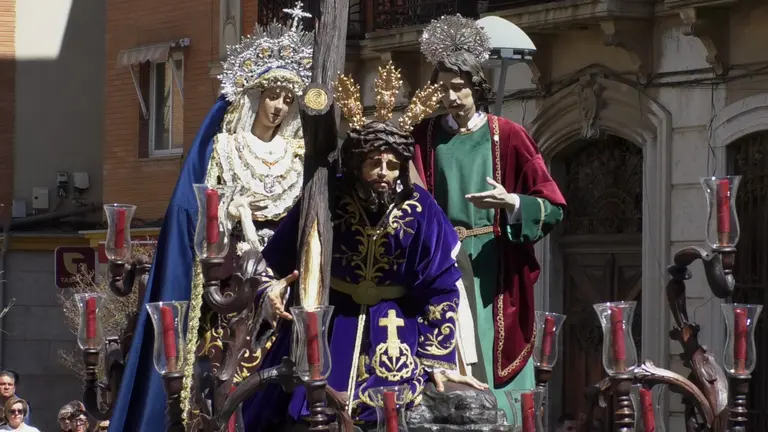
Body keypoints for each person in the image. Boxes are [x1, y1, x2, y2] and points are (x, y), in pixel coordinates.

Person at [239, 63, 485, 431]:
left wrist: (437, 357)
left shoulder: (421, 209)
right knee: (291, 410)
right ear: (356, 165)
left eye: (392, 165)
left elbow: (442, 284)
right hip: (329, 323)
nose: (384, 173)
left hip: (395, 331)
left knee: (393, 415)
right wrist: (271, 290)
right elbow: (272, 261)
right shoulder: (326, 198)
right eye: (374, 163)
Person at [107, 3, 314, 431]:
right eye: (272, 95)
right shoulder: (224, 148)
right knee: (222, 377)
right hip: (235, 277)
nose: (278, 107)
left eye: (288, 99)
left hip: (288, 272)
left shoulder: (299, 155)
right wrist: (232, 226)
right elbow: (202, 212)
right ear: (254, 95)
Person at [411, 15, 567, 424]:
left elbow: (552, 205)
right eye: (443, 87)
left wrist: (512, 201)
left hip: (493, 265)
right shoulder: (423, 137)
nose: (451, 96)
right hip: (443, 260)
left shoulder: (509, 135)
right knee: (449, 350)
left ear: (476, 87)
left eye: (459, 87)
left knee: (489, 346)